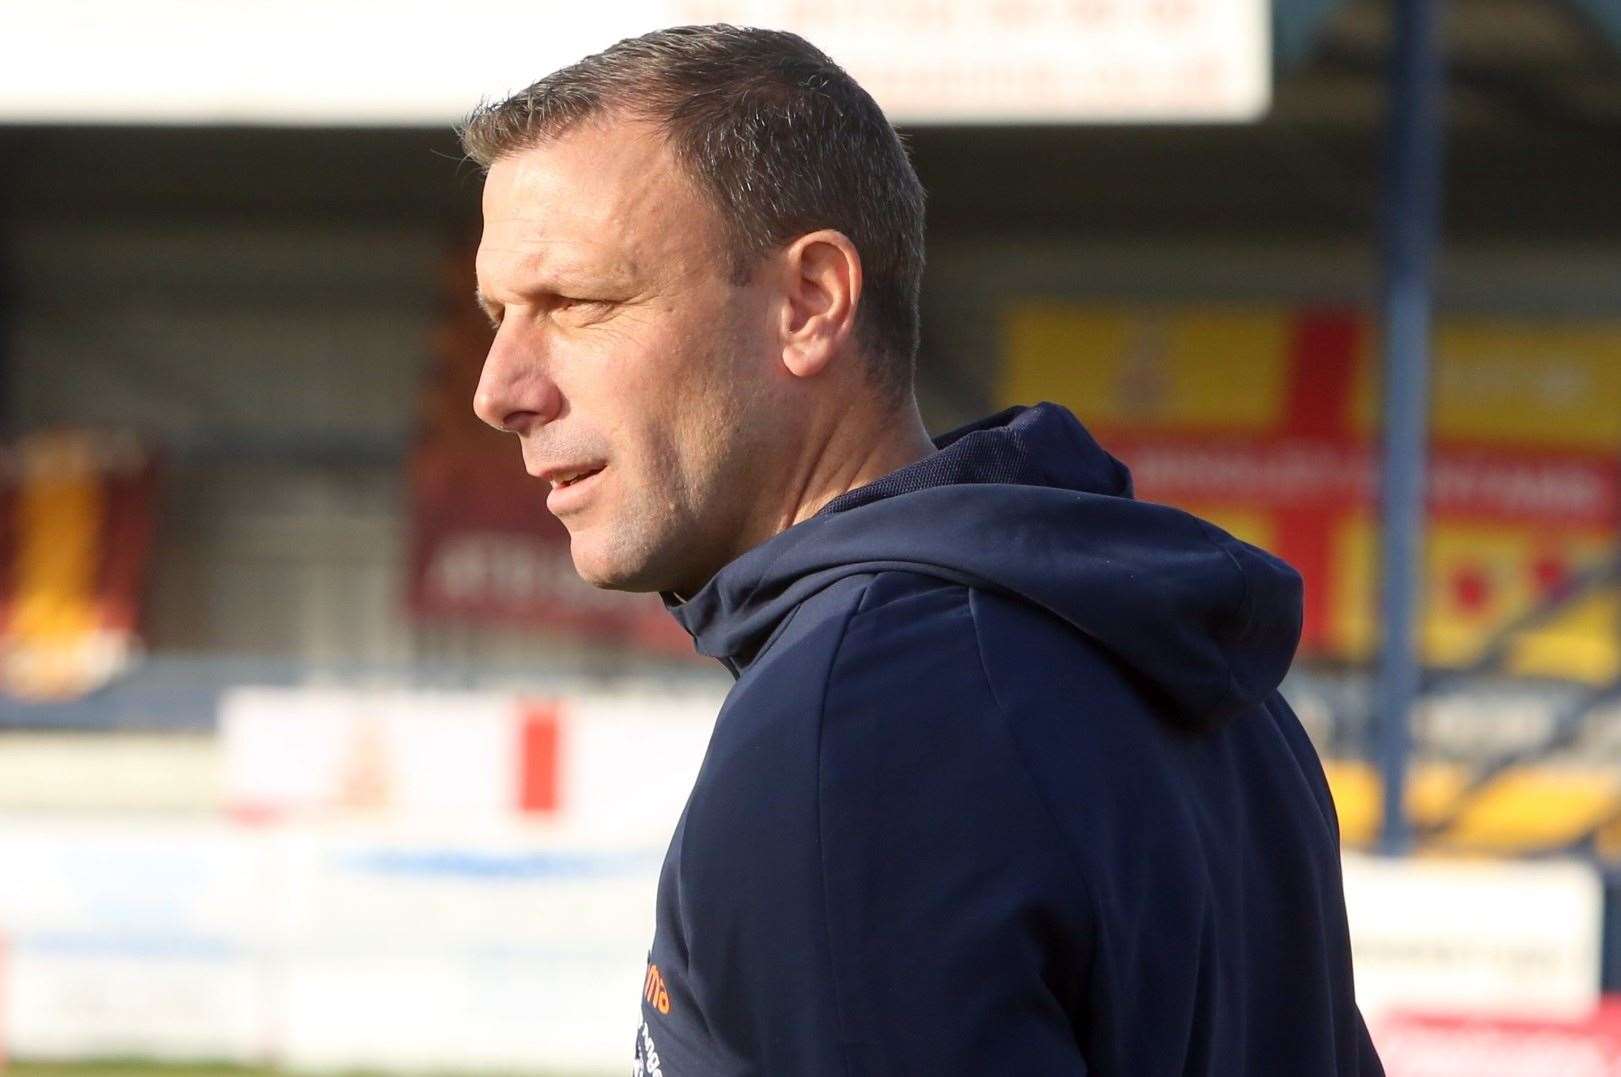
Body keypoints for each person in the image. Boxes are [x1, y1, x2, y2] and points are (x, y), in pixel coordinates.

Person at [462, 24, 1383, 1076]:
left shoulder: (852, 729)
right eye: (497, 316)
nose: (499, 390)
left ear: (809, 303)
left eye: (575, 304)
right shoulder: (1167, 654)